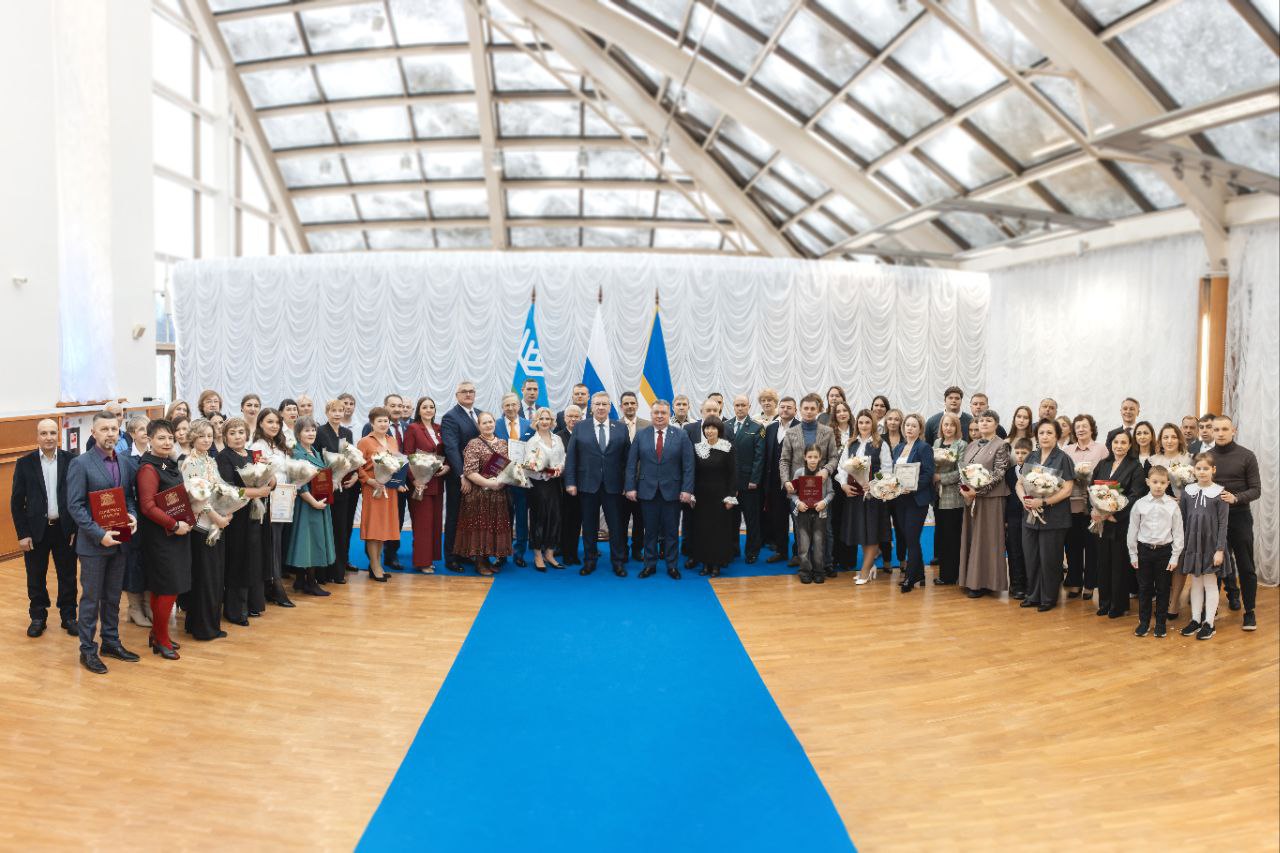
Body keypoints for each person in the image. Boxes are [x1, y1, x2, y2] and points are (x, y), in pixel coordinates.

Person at [67, 410, 140, 674]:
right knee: (91, 599)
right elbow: (75, 507)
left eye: (114, 429)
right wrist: (100, 535)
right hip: (93, 546)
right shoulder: (81, 463)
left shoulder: (124, 462)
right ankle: (88, 650)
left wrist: (132, 515)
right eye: (104, 429)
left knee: (112, 597)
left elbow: (128, 497)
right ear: (94, 432)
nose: (110, 434)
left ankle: (111, 642)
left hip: (120, 539)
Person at [10, 418, 78, 638]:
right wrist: (23, 534)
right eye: (44, 433)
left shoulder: (71, 460)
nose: (49, 437)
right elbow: (16, 503)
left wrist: (76, 529)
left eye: (52, 433)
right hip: (35, 531)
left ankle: (69, 616)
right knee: (35, 575)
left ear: (58, 435)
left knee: (67, 575)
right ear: (37, 436)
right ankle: (38, 617)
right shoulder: (24, 463)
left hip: (64, 530)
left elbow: (77, 497)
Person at [135, 419, 193, 661]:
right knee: (168, 588)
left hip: (176, 535)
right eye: (161, 438)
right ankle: (162, 640)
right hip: (160, 538)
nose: (167, 442)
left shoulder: (168, 463)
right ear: (149, 440)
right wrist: (174, 524)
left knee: (165, 589)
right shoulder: (148, 469)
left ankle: (156, 634)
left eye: (170, 437)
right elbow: (147, 507)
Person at [625, 400, 694, 579]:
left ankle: (672, 566)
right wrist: (630, 487)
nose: (660, 416)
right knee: (650, 532)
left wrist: (687, 489)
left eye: (663, 413)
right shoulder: (641, 435)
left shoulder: (681, 435)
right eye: (656, 413)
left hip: (673, 492)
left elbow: (688, 465)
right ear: (651, 414)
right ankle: (650, 565)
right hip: (647, 491)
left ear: (669, 414)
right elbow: (631, 463)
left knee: (671, 532)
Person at [565, 392, 631, 578]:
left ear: (610, 407)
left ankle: (618, 562)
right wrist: (570, 482)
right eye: (597, 404)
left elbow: (628, 460)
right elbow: (572, 457)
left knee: (616, 526)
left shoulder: (621, 428)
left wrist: (628, 484)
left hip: (614, 486)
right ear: (591, 407)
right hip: (587, 485)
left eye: (604, 404)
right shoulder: (580, 427)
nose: (601, 407)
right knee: (589, 526)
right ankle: (590, 560)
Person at [1208, 416, 1262, 631]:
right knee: (1214, 566)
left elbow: (1256, 490)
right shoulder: (1206, 457)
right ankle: (1210, 612)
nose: (1220, 433)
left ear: (1233, 430)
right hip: (1214, 520)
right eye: (1216, 429)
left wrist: (1236, 498)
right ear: (1211, 432)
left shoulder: (1247, 456)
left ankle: (1250, 612)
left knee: (1246, 566)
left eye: (1224, 429)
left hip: (1240, 518)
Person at [180, 419, 231, 641]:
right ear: (193, 437)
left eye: (209, 435)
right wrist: (218, 517)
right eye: (201, 436)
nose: (206, 440)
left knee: (215, 577)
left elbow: (220, 488)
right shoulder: (189, 463)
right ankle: (204, 628)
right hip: (201, 526)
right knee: (205, 578)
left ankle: (201, 623)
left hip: (216, 523)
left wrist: (231, 505)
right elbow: (198, 498)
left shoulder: (211, 460)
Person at [1017, 419, 1075, 612]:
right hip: (1030, 515)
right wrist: (1024, 499)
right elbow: (1020, 484)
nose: (1045, 436)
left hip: (1054, 517)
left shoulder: (1063, 458)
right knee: (1031, 557)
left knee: (1049, 559)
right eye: (1041, 433)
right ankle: (1033, 595)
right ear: (1036, 436)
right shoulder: (1032, 456)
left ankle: (1048, 598)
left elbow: (1067, 490)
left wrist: (1043, 502)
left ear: (1057, 436)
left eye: (1049, 433)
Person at [216, 417, 268, 625]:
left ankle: (254, 604)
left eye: (240, 432)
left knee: (255, 559)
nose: (237, 437)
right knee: (238, 560)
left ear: (247, 434)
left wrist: (269, 473)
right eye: (232, 433)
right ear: (225, 436)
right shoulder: (223, 457)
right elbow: (228, 489)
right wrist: (257, 492)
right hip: (236, 515)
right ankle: (235, 610)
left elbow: (269, 482)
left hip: (256, 514)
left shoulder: (254, 454)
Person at [1091, 430, 1147, 619]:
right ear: (1111, 443)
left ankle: (1118, 605)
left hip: (1121, 522)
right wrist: (1095, 510)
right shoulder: (1103, 464)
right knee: (1103, 563)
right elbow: (1092, 488)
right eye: (1116, 442)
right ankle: (1104, 602)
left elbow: (1136, 495)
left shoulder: (1135, 467)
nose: (1119, 446)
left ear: (1130, 445)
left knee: (1119, 564)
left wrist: (1114, 513)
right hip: (1102, 522)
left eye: (1124, 442)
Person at [780, 394, 839, 572]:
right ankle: (805, 564)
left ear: (818, 410)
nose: (809, 411)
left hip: (822, 489)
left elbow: (834, 457)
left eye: (813, 408)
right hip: (798, 489)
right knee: (801, 529)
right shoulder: (791, 432)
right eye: (806, 408)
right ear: (800, 409)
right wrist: (786, 481)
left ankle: (826, 564)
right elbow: (784, 461)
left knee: (826, 529)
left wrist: (826, 470)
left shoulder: (827, 432)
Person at [1178, 454, 1231, 641]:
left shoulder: (1220, 493)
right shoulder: (1188, 491)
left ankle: (1209, 623)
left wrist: (1219, 550)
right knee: (1195, 583)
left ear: (1213, 470)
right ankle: (1195, 619)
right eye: (1198, 468)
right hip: (1192, 544)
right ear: (1193, 470)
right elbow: (1182, 519)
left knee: (1210, 583)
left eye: (1206, 468)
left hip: (1211, 546)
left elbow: (1223, 524)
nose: (1202, 472)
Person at [1127, 466, 1184, 638]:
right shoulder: (1140, 504)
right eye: (1155, 482)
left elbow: (1178, 532)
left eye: (1162, 482)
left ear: (1167, 484)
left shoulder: (1173, 505)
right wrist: (1133, 554)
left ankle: (1160, 623)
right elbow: (1132, 530)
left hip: (1164, 552)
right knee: (1144, 588)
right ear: (1148, 482)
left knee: (1163, 589)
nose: (1158, 486)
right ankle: (1144, 622)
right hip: (1144, 551)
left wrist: (1175, 557)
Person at [457, 412, 513, 574]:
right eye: (484, 423)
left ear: (495, 423)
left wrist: (503, 480)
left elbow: (510, 467)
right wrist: (490, 483)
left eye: (490, 422)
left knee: (492, 527)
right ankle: (479, 563)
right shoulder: (474, 444)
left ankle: (487, 560)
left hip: (498, 494)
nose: (488, 425)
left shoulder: (503, 443)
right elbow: (469, 471)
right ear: (479, 426)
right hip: (479, 495)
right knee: (481, 527)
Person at [286, 416, 335, 596]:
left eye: (313, 430)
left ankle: (300, 580)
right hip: (307, 504)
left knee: (310, 540)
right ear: (298, 433)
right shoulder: (297, 453)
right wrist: (313, 502)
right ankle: (310, 582)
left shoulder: (315, 451)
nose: (311, 433)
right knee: (308, 542)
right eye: (307, 430)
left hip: (319, 502)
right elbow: (299, 484)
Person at [887, 414, 936, 593]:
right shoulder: (899, 448)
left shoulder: (924, 447)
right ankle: (920, 574)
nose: (910, 428)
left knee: (912, 538)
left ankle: (910, 576)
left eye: (914, 426)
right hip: (900, 499)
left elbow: (928, 473)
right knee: (908, 537)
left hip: (917, 500)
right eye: (907, 425)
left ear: (920, 429)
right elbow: (895, 472)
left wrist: (912, 487)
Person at [840, 410, 889, 586]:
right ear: (856, 424)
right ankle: (870, 566)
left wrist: (874, 483)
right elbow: (841, 467)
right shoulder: (850, 443)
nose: (864, 425)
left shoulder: (881, 444)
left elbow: (887, 469)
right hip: (854, 495)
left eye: (867, 422)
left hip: (873, 496)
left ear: (873, 424)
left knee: (872, 533)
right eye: (860, 422)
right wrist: (843, 485)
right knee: (862, 531)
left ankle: (865, 570)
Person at [357, 406, 406, 582]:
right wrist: (369, 481)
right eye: (380, 421)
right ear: (372, 423)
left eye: (386, 421)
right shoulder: (364, 442)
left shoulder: (392, 441)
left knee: (383, 528)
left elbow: (397, 465)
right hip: (373, 489)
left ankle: (377, 564)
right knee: (374, 528)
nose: (384, 424)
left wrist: (399, 483)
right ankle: (375, 565)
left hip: (389, 490)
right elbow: (357, 466)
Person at [1150, 423, 1193, 621]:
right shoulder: (1152, 461)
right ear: (1160, 440)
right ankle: (1162, 598)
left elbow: (1196, 488)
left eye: (1173, 437)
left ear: (1179, 439)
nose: (1169, 441)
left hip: (1183, 514)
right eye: (1165, 437)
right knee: (1162, 557)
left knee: (1179, 557)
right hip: (1158, 515)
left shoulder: (1189, 459)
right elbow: (1147, 488)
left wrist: (1182, 500)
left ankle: (1174, 602)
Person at [251, 409, 294, 607]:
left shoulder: (280, 445)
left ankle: (271, 585)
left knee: (278, 542)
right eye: (270, 422)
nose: (274, 426)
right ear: (261, 423)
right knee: (271, 543)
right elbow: (259, 475)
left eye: (277, 422)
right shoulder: (257, 446)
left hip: (283, 499)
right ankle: (276, 586)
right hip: (268, 500)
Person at [1064, 414, 1109, 601]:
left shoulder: (1101, 449)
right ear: (1074, 431)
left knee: (1092, 548)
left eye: (1085, 426)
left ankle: (1090, 584)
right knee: (1072, 546)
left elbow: (1107, 473)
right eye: (1078, 427)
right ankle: (1075, 581)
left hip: (1094, 507)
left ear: (1092, 429)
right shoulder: (1067, 450)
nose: (1081, 429)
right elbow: (1062, 475)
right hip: (1071, 505)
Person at [687, 416, 738, 578]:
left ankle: (716, 564)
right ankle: (705, 563)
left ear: (719, 430)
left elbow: (733, 474)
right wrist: (691, 494)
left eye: (713, 428)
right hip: (701, 497)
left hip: (721, 497)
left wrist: (731, 496)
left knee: (718, 531)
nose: (710, 431)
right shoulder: (698, 448)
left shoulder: (727, 447)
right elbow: (693, 473)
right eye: (707, 428)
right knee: (702, 531)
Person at [403, 396, 448, 573]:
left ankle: (431, 557)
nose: (429, 410)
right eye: (425, 407)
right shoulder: (413, 428)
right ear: (419, 410)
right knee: (423, 523)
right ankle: (422, 561)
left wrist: (447, 466)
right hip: (420, 483)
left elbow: (445, 452)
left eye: (431, 407)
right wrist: (415, 480)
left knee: (435, 523)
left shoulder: (439, 428)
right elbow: (408, 455)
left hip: (437, 481)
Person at [441, 382, 482, 572]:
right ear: (457, 395)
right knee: (455, 516)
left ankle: (465, 553)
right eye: (464, 392)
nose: (468, 394)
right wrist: (462, 475)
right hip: (459, 478)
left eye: (471, 391)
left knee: (470, 517)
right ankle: (451, 557)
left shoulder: (480, 414)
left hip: (479, 477)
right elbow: (451, 448)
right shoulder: (450, 417)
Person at [316, 399, 358, 583]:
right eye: (334, 410)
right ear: (327, 412)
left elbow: (352, 458)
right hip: (324, 487)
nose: (337, 414)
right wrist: (331, 477)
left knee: (341, 529)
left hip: (343, 488)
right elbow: (317, 458)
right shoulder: (319, 431)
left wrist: (355, 474)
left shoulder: (347, 433)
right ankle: (323, 573)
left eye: (340, 410)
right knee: (326, 529)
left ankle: (338, 572)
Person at [524, 407, 565, 571]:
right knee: (539, 518)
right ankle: (538, 555)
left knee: (555, 517)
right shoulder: (533, 442)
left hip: (555, 484)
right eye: (541, 418)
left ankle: (549, 553)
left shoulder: (557, 439)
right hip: (538, 485)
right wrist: (548, 471)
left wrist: (559, 468)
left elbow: (563, 458)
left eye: (548, 418)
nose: (545, 421)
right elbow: (530, 465)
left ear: (552, 421)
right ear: (536, 421)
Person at [726, 394, 766, 564]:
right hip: (730, 483)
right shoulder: (725, 425)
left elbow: (759, 456)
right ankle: (733, 549)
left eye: (743, 405)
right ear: (733, 407)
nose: (740, 408)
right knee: (732, 520)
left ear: (749, 407)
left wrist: (754, 480)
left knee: (752, 520)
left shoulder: (757, 427)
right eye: (737, 405)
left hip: (748, 483)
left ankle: (752, 551)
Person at [495, 393, 532, 568]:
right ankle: (502, 554)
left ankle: (519, 553)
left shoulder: (528, 424)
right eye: (507, 405)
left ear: (519, 406)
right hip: (501, 480)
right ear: (502, 407)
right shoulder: (495, 424)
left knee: (522, 518)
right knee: (503, 518)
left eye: (513, 405)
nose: (510, 408)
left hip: (522, 480)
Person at [932, 413, 966, 587]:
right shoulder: (937, 443)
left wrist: (940, 477)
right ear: (941, 426)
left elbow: (961, 472)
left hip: (953, 498)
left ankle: (951, 575)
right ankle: (944, 573)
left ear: (957, 427)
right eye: (946, 424)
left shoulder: (961, 445)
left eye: (952, 425)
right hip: (937, 497)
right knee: (942, 537)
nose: (948, 428)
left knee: (952, 537)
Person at [761, 396, 797, 563]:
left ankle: (797, 554)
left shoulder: (800, 428)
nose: (785, 410)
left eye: (789, 407)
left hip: (794, 482)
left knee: (797, 520)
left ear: (795, 410)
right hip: (774, 482)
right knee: (778, 518)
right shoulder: (771, 428)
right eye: (782, 407)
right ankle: (781, 551)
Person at [790, 446, 833, 584]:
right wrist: (798, 503)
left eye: (815, 457)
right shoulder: (799, 473)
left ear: (820, 457)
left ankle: (819, 571)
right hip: (802, 513)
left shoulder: (824, 474)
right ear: (805, 457)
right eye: (810, 457)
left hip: (820, 514)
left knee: (819, 544)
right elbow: (792, 493)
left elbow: (831, 493)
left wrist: (824, 502)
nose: (813, 460)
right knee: (803, 545)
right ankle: (805, 571)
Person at [617, 391, 650, 562]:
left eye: (632, 403)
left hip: (643, 484)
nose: (630, 406)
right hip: (620, 485)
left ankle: (638, 549)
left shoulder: (648, 426)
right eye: (626, 403)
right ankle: (622, 550)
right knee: (621, 521)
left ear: (637, 405)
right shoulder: (614, 426)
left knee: (640, 520)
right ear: (621, 406)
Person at [826, 401, 856, 575]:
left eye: (845, 410)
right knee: (836, 519)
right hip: (835, 481)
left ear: (849, 413)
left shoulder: (856, 431)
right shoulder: (829, 432)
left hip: (853, 480)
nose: (842, 413)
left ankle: (848, 559)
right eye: (838, 411)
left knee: (850, 519)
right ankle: (835, 556)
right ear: (834, 415)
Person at [555, 404, 584, 565]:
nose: (573, 419)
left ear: (581, 418)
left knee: (577, 520)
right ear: (564, 418)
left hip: (583, 484)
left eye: (576, 416)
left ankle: (574, 552)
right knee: (566, 520)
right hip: (563, 486)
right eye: (570, 416)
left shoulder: (586, 434)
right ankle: (566, 553)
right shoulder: (558, 437)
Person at [1003, 438, 1032, 599]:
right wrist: (1005, 519)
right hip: (1013, 516)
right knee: (1014, 550)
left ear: (1031, 454)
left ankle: (1030, 584)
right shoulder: (1009, 473)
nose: (1020, 456)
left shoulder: (1035, 472)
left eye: (1024, 453)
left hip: (1030, 515)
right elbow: (1006, 497)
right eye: (1018, 453)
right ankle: (1016, 584)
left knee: (1028, 550)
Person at [878, 408, 906, 571]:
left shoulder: (907, 440)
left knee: (901, 527)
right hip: (884, 490)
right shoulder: (879, 439)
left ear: (901, 422)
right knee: (884, 527)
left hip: (902, 492)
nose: (893, 422)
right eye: (890, 419)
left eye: (896, 419)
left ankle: (902, 560)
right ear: (886, 421)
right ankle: (887, 560)